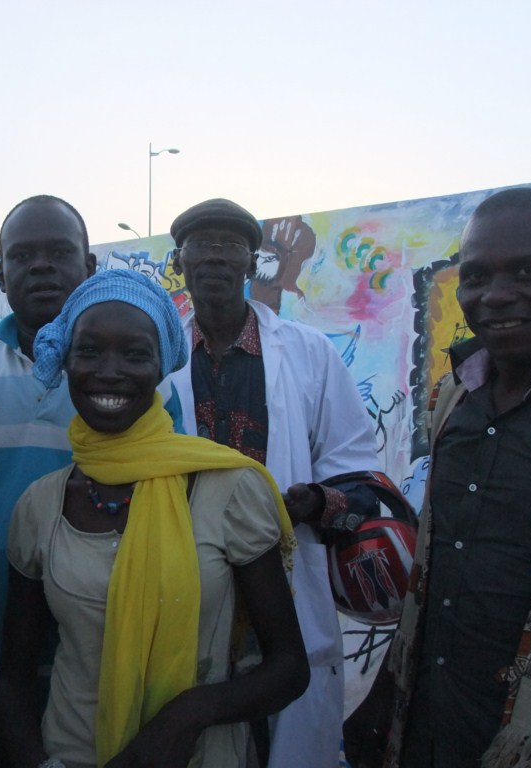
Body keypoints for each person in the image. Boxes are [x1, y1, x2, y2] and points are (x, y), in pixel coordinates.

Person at [347, 188, 531, 767]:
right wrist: (383, 689)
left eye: (527, 271)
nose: (495, 296)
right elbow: (437, 575)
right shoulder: (453, 400)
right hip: (431, 730)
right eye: (476, 275)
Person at [0, 268, 309, 768]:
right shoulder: (39, 506)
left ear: (161, 363)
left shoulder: (227, 487)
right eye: (90, 351)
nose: (109, 370)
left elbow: (289, 668)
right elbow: (12, 681)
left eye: (135, 353)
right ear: (67, 362)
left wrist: (183, 718)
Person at [0, 195, 182, 765]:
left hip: (103, 681)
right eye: (23, 255)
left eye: (58, 252)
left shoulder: (150, 388)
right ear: (1, 274)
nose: (41, 265)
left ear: (90, 267)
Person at [165, 198, 382, 768]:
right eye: (200, 245)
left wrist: (317, 501)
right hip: (185, 580)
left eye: (229, 245)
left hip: (282, 587)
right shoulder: (159, 352)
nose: (214, 256)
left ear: (250, 261)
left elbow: (356, 465)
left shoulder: (307, 354)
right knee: (191, 731)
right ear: (180, 260)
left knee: (280, 733)